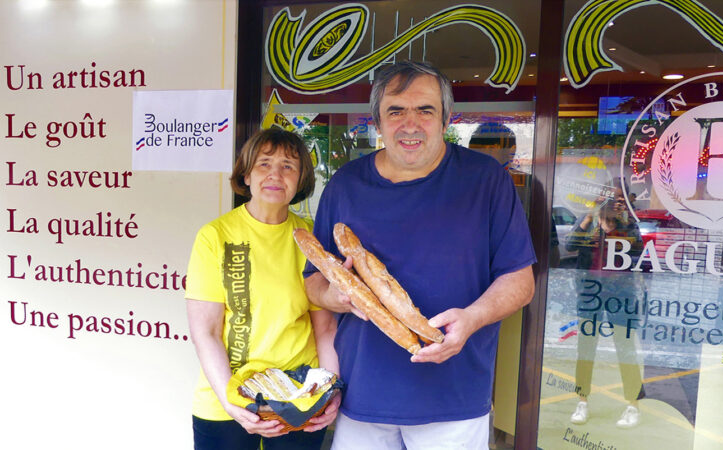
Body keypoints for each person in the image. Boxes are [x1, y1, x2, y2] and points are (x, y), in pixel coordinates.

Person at [303, 60, 536, 449]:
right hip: (362, 397)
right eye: (396, 111)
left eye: (425, 110)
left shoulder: (485, 180)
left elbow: (520, 281)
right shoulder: (345, 184)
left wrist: (473, 318)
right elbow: (314, 280)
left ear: (445, 119)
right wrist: (334, 296)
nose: (410, 124)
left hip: (454, 398)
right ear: (377, 122)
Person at [185, 128, 340, 450]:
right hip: (225, 400)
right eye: (264, 164)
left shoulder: (311, 240)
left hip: (298, 400)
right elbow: (207, 331)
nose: (275, 175)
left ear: (301, 180)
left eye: (288, 166)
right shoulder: (214, 236)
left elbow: (325, 329)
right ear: (245, 174)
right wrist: (231, 403)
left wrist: (329, 392)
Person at [565, 184, 644, 428]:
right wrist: (590, 215)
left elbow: (639, 251)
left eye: (620, 198)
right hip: (590, 292)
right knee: (585, 347)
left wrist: (626, 220)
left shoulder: (627, 222)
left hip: (621, 293)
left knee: (626, 348)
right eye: (610, 196)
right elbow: (569, 245)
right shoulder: (589, 220)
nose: (615, 201)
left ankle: (633, 405)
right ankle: (582, 401)